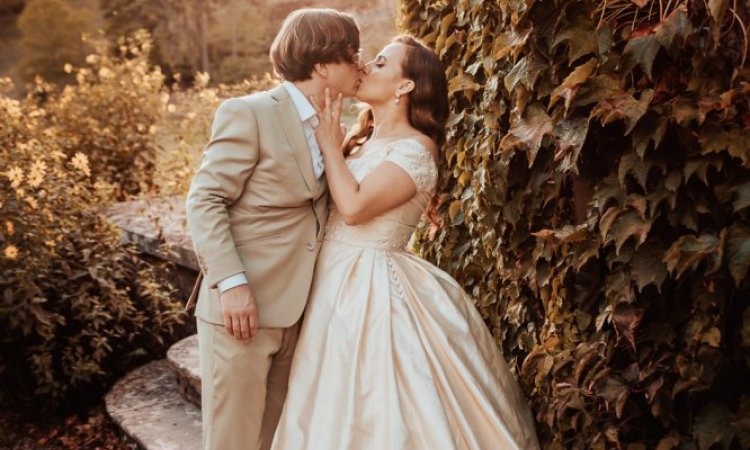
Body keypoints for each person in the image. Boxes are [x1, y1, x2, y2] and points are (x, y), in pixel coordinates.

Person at [270, 35, 541, 449]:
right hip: (327, 281)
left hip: (369, 288)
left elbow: (355, 207)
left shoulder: (417, 149)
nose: (365, 67)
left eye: (380, 64)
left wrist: (329, 143)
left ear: (405, 86)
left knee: (378, 402)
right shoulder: (361, 141)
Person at [184, 8, 363, 450]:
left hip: (300, 313)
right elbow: (205, 199)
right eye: (353, 55)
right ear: (323, 65)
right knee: (233, 442)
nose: (361, 64)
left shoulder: (331, 125)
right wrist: (232, 283)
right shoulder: (250, 113)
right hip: (242, 312)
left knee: (274, 442)